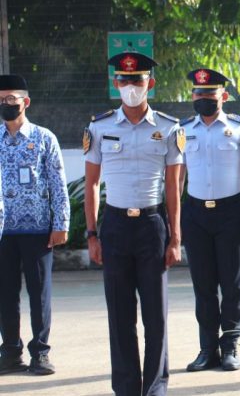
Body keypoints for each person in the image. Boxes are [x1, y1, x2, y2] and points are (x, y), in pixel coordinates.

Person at [84, 52, 184, 396]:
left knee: (155, 315)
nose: (131, 87)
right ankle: (127, 387)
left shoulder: (169, 127)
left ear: (150, 85)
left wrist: (175, 238)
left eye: (137, 81)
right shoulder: (99, 127)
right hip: (114, 226)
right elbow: (93, 184)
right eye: (124, 81)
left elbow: (174, 187)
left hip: (152, 225)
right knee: (121, 316)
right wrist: (92, 234)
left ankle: (155, 386)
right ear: (116, 84)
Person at [179, 68, 240, 372]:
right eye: (198, 94)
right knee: (203, 285)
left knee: (232, 283)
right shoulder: (183, 130)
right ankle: (206, 349)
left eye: (209, 94)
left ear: (223, 97)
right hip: (195, 213)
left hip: (231, 213)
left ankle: (229, 347)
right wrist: (174, 219)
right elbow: (177, 178)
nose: (203, 99)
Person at [0, 74, 69, 376]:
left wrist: (61, 223)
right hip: (3, 232)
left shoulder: (44, 138)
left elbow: (58, 183)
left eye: (11, 100)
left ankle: (40, 352)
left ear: (25, 102)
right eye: (0, 101)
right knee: (5, 293)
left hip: (39, 229)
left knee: (39, 293)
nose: (5, 105)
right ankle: (11, 352)